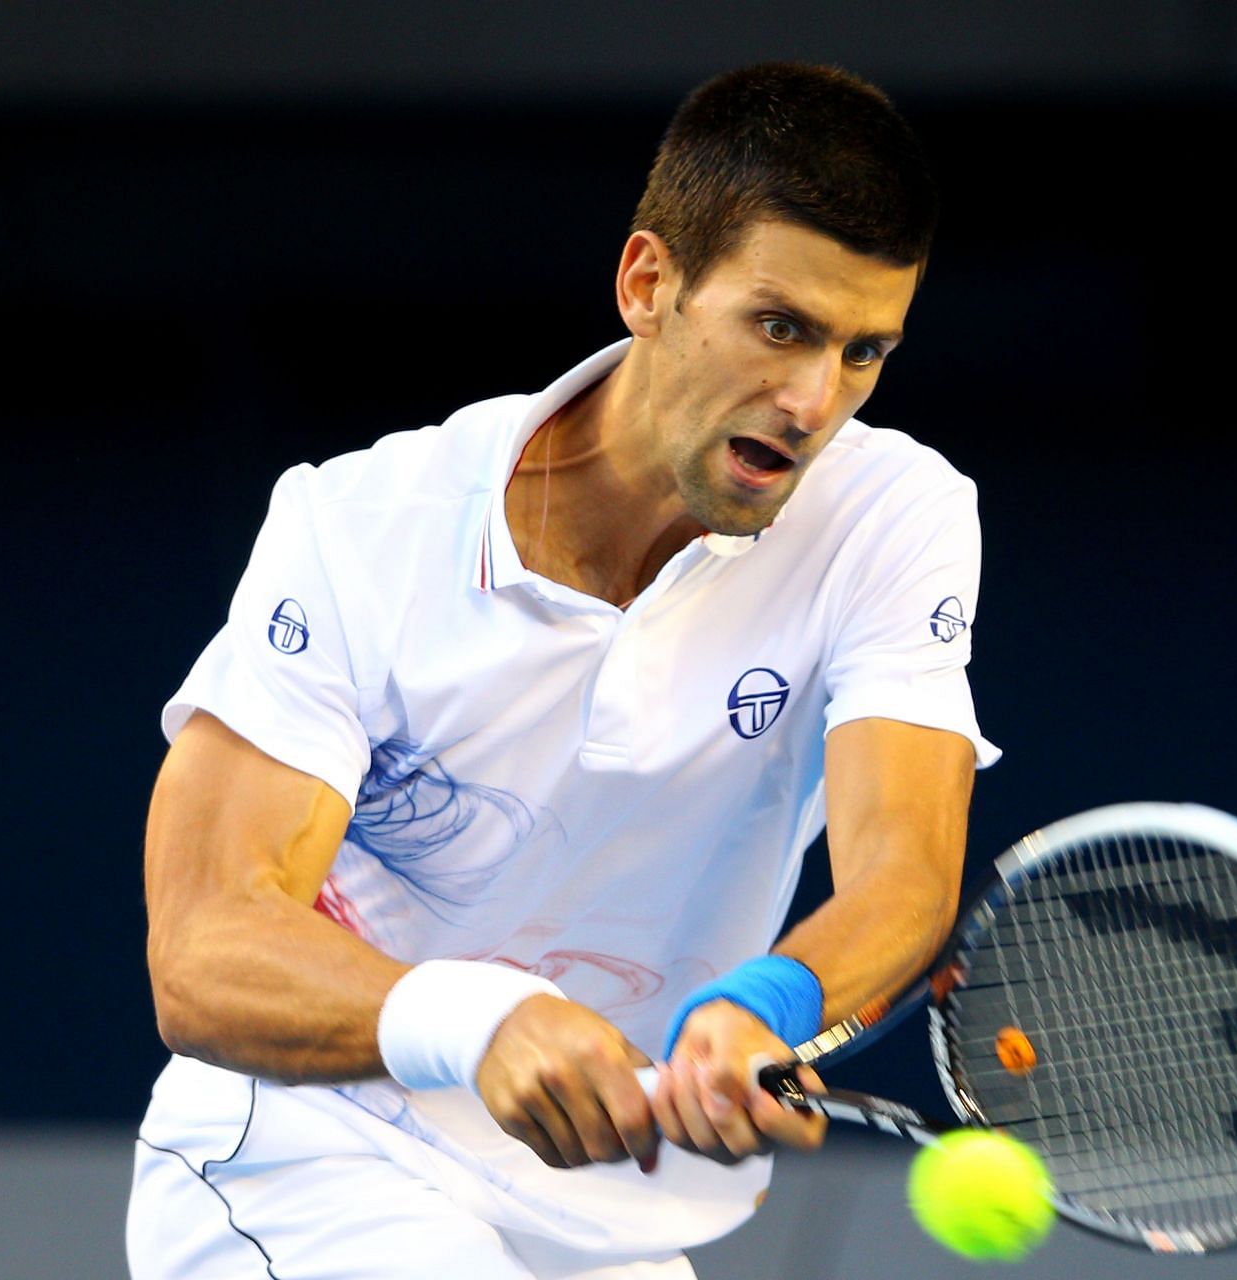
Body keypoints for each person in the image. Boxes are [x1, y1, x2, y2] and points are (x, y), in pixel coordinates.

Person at [128, 62, 997, 1279]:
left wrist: (768, 1004)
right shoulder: (363, 526)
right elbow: (206, 943)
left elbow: (904, 871)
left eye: (863, 352)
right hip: (315, 1157)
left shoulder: (894, 515)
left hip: (605, 1212)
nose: (813, 400)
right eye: (781, 325)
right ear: (650, 283)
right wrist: (473, 1019)